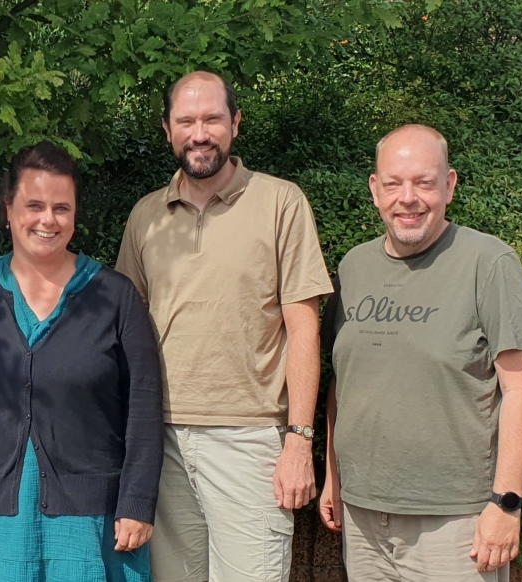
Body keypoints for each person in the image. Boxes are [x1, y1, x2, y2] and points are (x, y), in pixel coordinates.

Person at [115, 70, 332, 582]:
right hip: (161, 441)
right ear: (167, 129)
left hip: (251, 440)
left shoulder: (281, 202)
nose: (200, 132)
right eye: (186, 120)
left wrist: (299, 442)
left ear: (234, 123)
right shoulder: (145, 216)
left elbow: (305, 331)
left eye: (212, 118)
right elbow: (128, 338)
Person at [0, 141, 164, 581]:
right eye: (34, 205)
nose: (47, 220)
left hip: (93, 523)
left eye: (61, 208)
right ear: (8, 208)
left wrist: (136, 502)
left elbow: (144, 406)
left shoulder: (115, 296)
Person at [319, 124, 522, 581]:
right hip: (362, 516)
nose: (409, 198)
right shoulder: (353, 266)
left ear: (449, 185)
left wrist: (506, 504)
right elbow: (344, 380)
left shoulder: (489, 262)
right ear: (374, 191)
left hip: (456, 523)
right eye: (394, 184)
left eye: (424, 182)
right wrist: (333, 476)